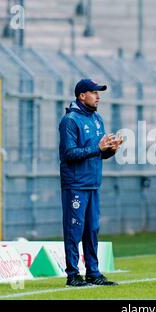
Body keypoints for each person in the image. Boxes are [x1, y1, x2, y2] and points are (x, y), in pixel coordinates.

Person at [59, 79, 123, 287]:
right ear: (81, 96)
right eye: (94, 92)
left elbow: (99, 154)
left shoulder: (97, 119)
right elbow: (69, 153)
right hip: (76, 184)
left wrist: (111, 149)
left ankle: (93, 273)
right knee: (74, 229)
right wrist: (98, 147)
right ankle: (73, 275)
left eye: (99, 93)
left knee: (92, 229)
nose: (98, 96)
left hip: (93, 183)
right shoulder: (70, 120)